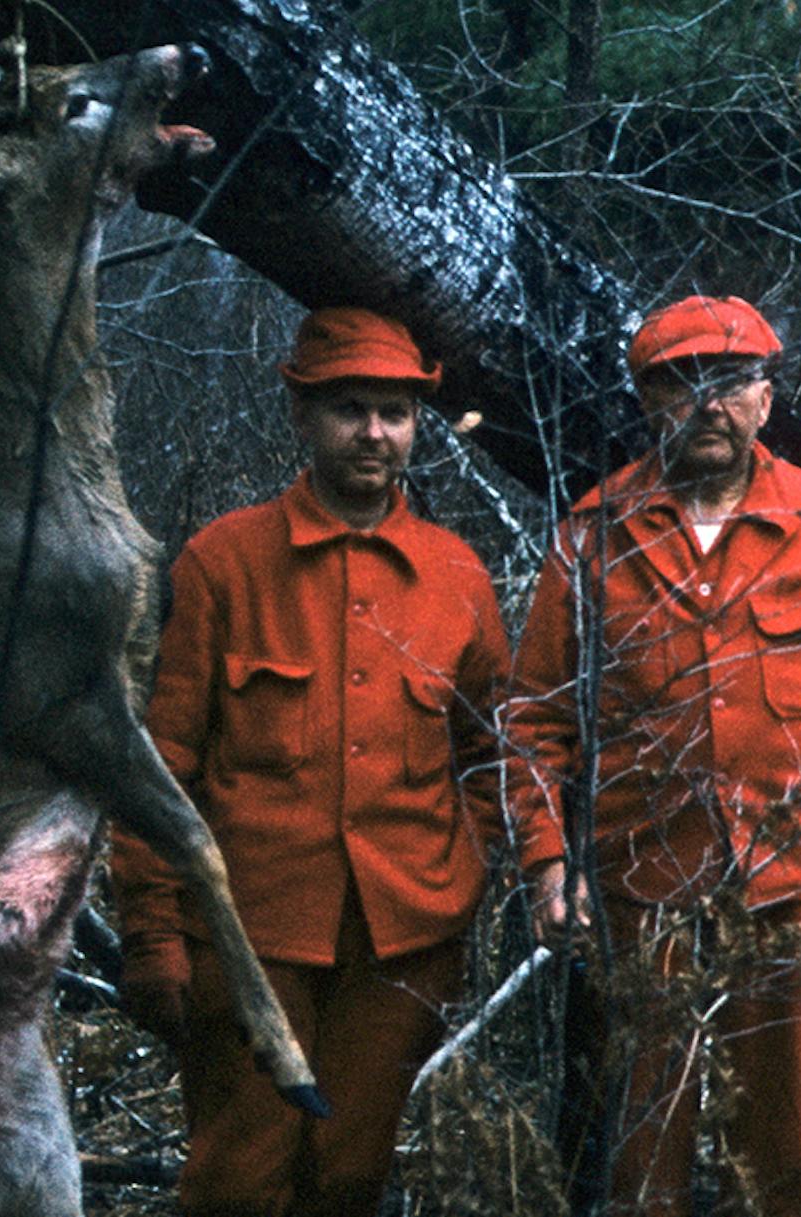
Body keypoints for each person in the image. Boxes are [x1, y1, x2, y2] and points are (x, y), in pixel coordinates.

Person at [504, 295, 801, 1217]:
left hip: (794, 890)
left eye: (731, 383)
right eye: (682, 383)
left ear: (766, 398)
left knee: (779, 1158)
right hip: (640, 893)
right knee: (641, 1151)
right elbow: (534, 721)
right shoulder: (592, 536)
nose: (709, 405)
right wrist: (548, 864)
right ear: (647, 401)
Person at [111, 307, 511, 1215]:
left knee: (349, 1176)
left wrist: (461, 871)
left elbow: (492, 752)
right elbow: (158, 763)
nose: (374, 433)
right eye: (348, 409)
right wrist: (153, 932)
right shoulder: (224, 562)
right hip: (248, 935)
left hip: (403, 941)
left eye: (395, 413)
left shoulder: (456, 576)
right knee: (238, 1179)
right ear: (302, 415)